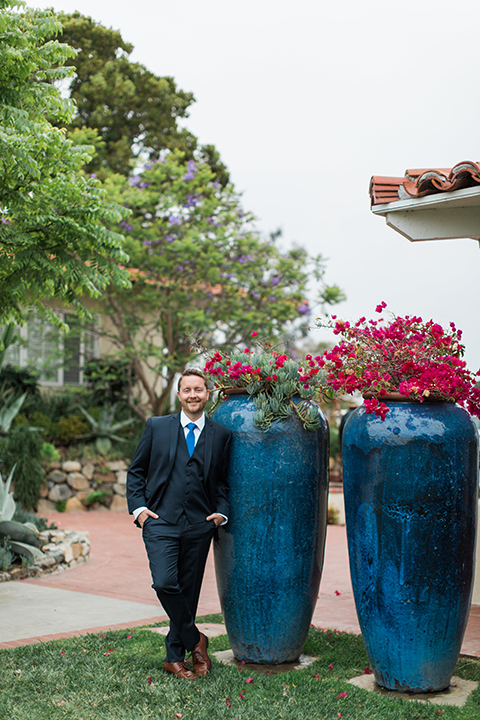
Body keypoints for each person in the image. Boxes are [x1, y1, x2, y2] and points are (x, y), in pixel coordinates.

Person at [126, 369, 232, 680]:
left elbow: (223, 482)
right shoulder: (157, 427)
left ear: (207, 393)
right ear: (179, 394)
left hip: (200, 524)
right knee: (164, 583)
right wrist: (140, 510)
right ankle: (196, 641)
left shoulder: (221, 435)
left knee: (189, 592)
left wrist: (220, 512)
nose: (193, 395)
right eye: (187, 390)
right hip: (160, 521)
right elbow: (136, 472)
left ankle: (174, 658)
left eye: (198, 389)